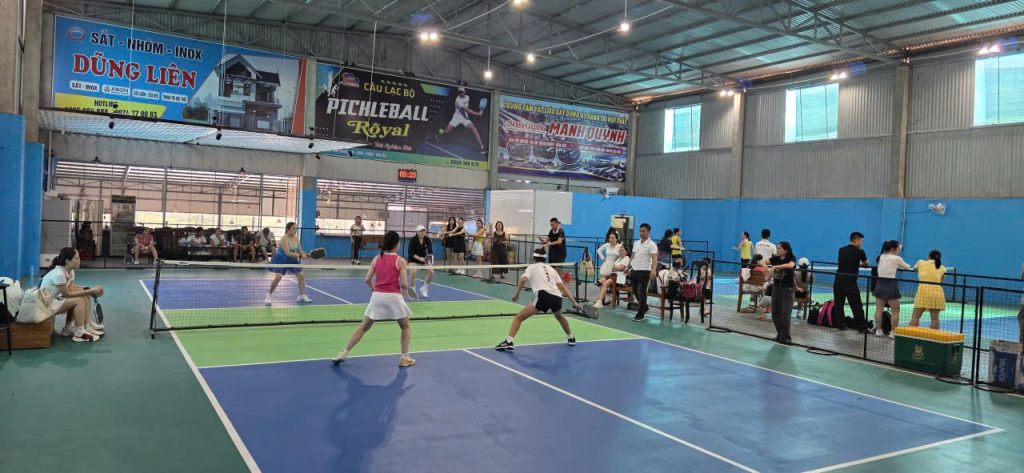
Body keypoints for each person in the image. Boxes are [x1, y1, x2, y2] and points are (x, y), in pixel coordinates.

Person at [332, 231, 416, 367]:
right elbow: (404, 284)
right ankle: (404, 357)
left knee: (364, 326)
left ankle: (343, 352)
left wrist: (373, 289)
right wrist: (404, 294)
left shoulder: (376, 258)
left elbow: (367, 279)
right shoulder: (400, 260)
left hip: (377, 296)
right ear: (397, 244)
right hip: (393, 296)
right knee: (405, 326)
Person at [494, 248, 580, 351]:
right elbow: (562, 287)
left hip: (543, 296)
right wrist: (574, 302)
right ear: (545, 258)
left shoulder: (532, 267)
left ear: (534, 258)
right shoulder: (552, 269)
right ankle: (571, 338)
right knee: (559, 316)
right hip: (557, 297)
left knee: (519, 318)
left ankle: (508, 342)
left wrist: (517, 294)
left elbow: (523, 280)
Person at [41, 248, 104, 342]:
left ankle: (80, 327)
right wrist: (90, 291)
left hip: (55, 300)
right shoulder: (59, 274)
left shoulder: (70, 271)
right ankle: (80, 333)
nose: (79, 260)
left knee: (84, 296)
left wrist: (89, 292)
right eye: (77, 258)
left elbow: (72, 289)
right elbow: (68, 294)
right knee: (79, 300)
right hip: (45, 305)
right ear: (67, 261)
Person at [264, 222, 312, 306]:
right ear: (288, 229)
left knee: (301, 276)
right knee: (278, 278)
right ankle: (269, 295)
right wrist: (300, 256)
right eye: (293, 228)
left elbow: (300, 250)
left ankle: (301, 295)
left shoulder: (296, 238)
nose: (295, 230)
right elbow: (287, 253)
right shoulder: (284, 239)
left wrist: (306, 254)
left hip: (292, 259)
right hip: (281, 258)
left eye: (296, 228)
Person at [874, 240, 912, 338]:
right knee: (896, 310)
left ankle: (878, 330)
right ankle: (893, 332)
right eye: (898, 249)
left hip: (880, 284)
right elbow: (907, 267)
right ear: (892, 248)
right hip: (890, 285)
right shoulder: (897, 258)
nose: (899, 251)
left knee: (878, 309)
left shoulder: (881, 257)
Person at [834, 232, 870, 331]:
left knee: (839, 304)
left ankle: (841, 325)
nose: (862, 243)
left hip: (838, 280)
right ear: (856, 240)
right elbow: (867, 265)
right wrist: (859, 264)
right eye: (861, 241)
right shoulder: (860, 251)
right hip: (850, 281)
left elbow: (844, 262)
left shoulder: (841, 250)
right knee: (856, 305)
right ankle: (862, 327)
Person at [436, 87, 486, 154]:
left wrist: (467, 116)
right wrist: (478, 114)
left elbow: (468, 108)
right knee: (447, 131)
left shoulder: (467, 97)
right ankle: (439, 135)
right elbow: (466, 110)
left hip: (464, 118)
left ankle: (482, 147)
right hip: (456, 117)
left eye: (462, 92)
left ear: (465, 92)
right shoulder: (458, 100)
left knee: (474, 130)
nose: (460, 93)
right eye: (459, 92)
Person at [768, 241, 797, 344]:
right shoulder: (775, 258)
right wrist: (764, 266)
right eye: (777, 248)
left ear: (785, 250)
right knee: (775, 313)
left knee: (785, 314)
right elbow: (763, 261)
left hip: (787, 289)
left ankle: (786, 338)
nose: (777, 250)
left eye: (779, 248)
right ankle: (780, 335)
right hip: (776, 288)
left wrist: (776, 267)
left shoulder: (791, 258)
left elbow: (790, 265)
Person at [910, 250, 947, 330]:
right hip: (937, 293)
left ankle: (911, 335)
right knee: (935, 319)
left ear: (929, 256)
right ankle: (934, 337)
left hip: (923, 292)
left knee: (915, 317)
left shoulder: (920, 263)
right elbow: (941, 281)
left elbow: (914, 268)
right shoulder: (943, 268)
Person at [630, 223, 659, 322]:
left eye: (643, 231)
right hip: (634, 270)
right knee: (635, 291)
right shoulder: (636, 243)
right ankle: (644, 307)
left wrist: (653, 270)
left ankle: (640, 314)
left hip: (645, 271)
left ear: (648, 232)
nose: (641, 233)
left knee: (641, 292)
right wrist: (628, 266)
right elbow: (633, 256)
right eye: (640, 231)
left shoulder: (652, 245)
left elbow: (654, 259)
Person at [406, 225, 434, 299]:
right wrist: (419, 258)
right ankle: (412, 292)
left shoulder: (427, 239)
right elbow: (410, 252)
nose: (422, 232)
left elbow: (430, 252)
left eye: (424, 231)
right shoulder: (413, 240)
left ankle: (424, 288)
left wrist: (429, 260)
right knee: (413, 272)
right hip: (413, 259)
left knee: (431, 271)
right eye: (421, 231)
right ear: (417, 232)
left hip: (424, 259)